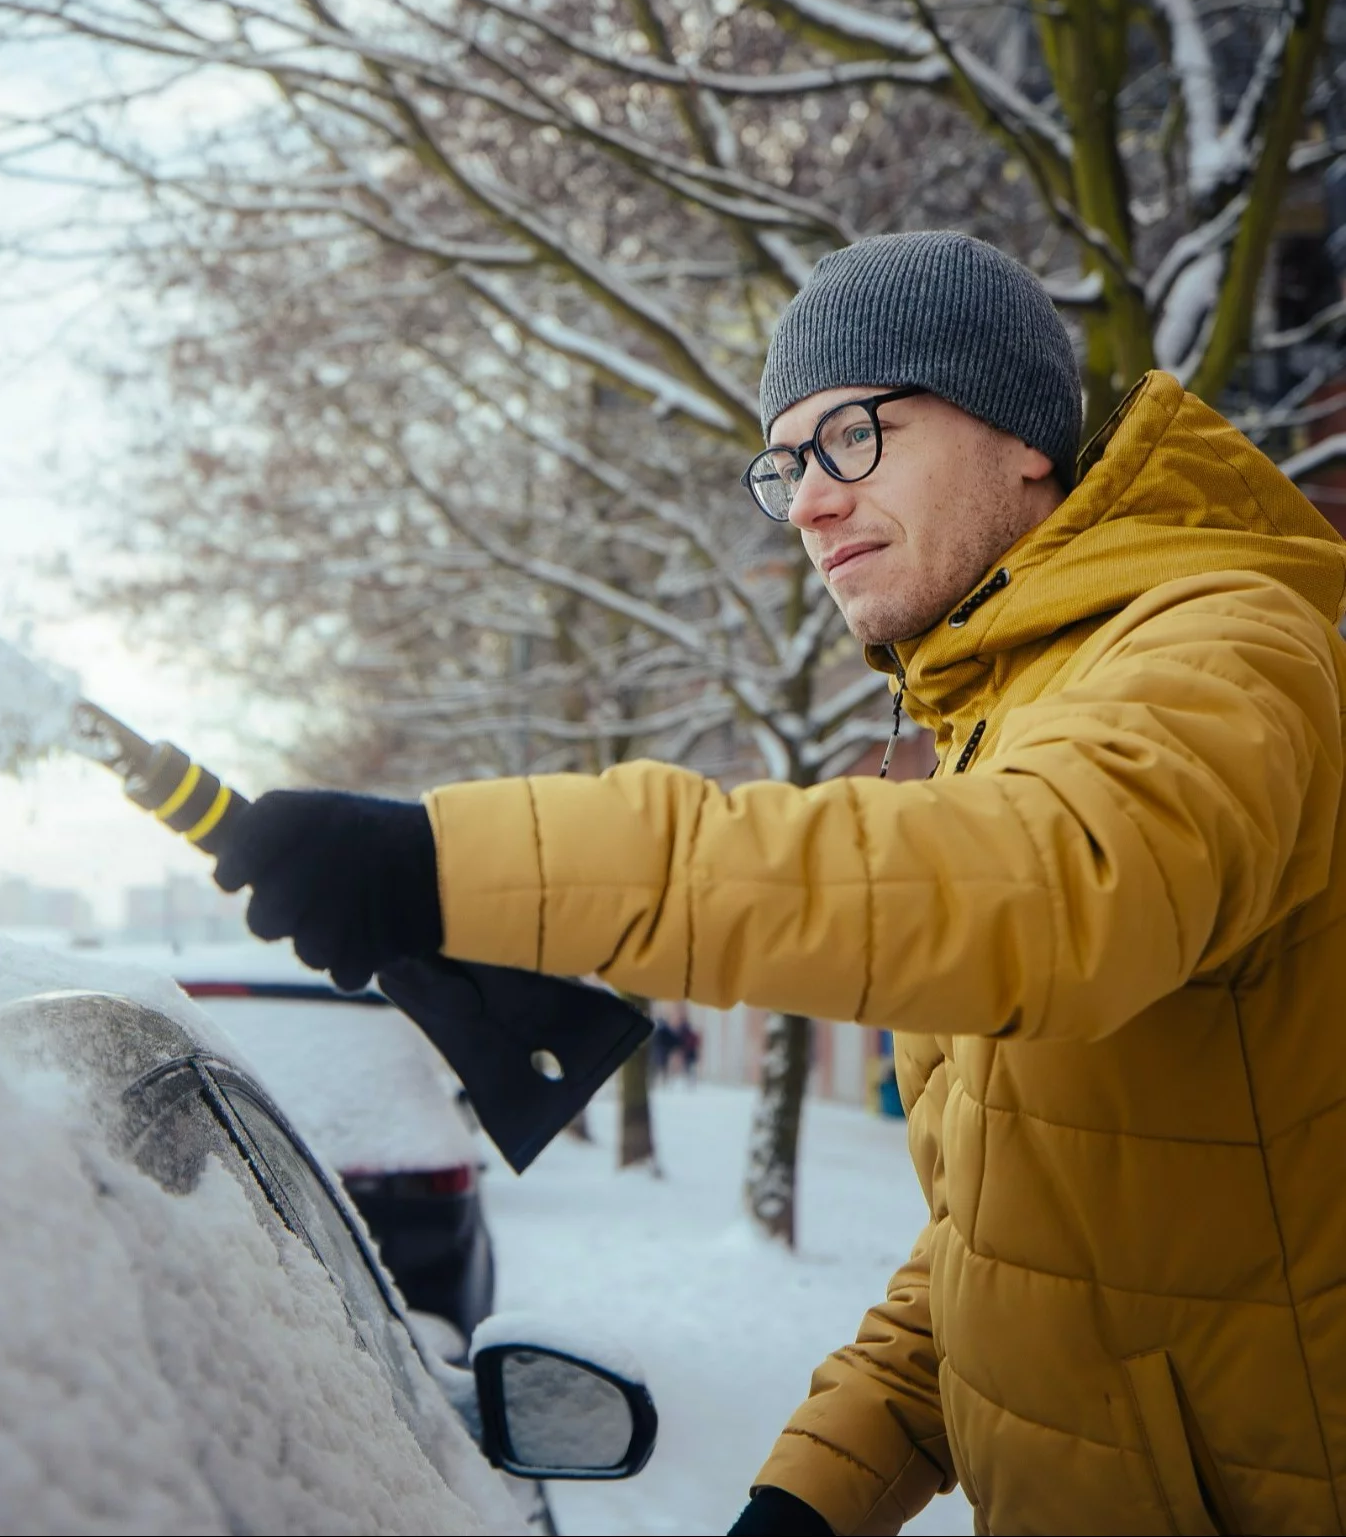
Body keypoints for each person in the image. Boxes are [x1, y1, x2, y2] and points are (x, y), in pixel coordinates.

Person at [212, 231, 1346, 1535]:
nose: (807, 502)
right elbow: (1018, 1238)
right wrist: (817, 1489)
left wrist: (453, 864)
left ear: (1021, 434)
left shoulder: (1221, 648)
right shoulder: (989, 730)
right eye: (785, 462)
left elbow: (1047, 895)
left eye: (852, 435)